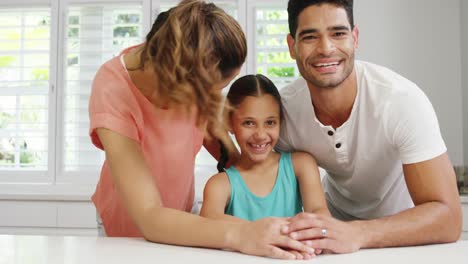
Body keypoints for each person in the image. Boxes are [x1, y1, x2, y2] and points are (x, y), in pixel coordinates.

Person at [88, 0, 315, 260]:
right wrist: (244, 234)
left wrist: (257, 182)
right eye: (210, 91)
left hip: (182, 214)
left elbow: (216, 136)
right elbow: (149, 216)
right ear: (181, 79)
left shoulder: (186, 51)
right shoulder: (113, 89)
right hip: (128, 228)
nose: (213, 102)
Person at [276, 0, 462, 253]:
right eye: (310, 37)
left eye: (338, 33)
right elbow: (256, 182)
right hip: (331, 235)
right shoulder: (283, 112)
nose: (326, 48)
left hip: (406, 237)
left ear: (355, 38)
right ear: (291, 46)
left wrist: (358, 232)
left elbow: (449, 218)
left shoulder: (400, 100)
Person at [200, 74, 330, 225]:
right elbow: (208, 221)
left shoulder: (301, 165)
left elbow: (318, 212)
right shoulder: (219, 185)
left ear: (280, 122)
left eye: (270, 122)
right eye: (248, 123)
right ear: (229, 123)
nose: (260, 135)